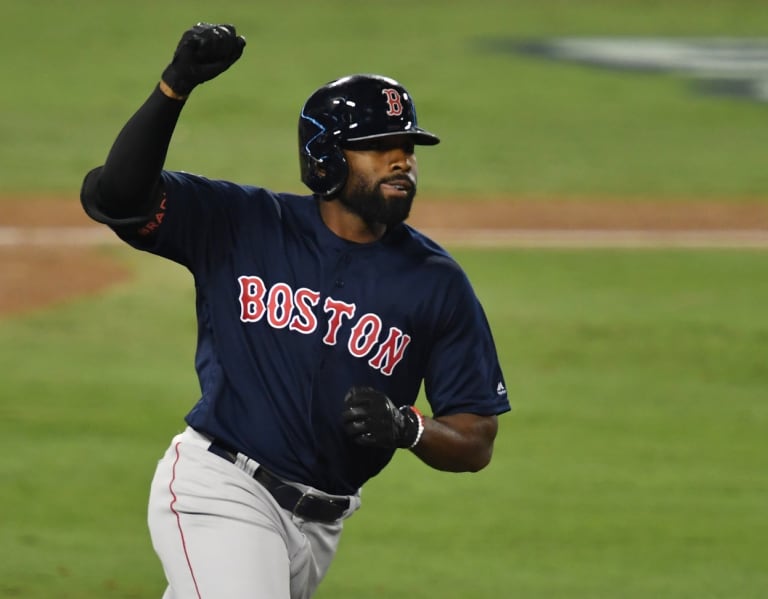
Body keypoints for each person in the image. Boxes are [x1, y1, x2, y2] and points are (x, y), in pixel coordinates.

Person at [80, 22, 510, 599]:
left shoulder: (436, 283)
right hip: (221, 488)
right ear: (326, 158)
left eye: (406, 147)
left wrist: (410, 427)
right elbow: (119, 197)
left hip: (320, 527)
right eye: (379, 147)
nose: (401, 160)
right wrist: (174, 87)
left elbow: (475, 437)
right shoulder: (242, 224)